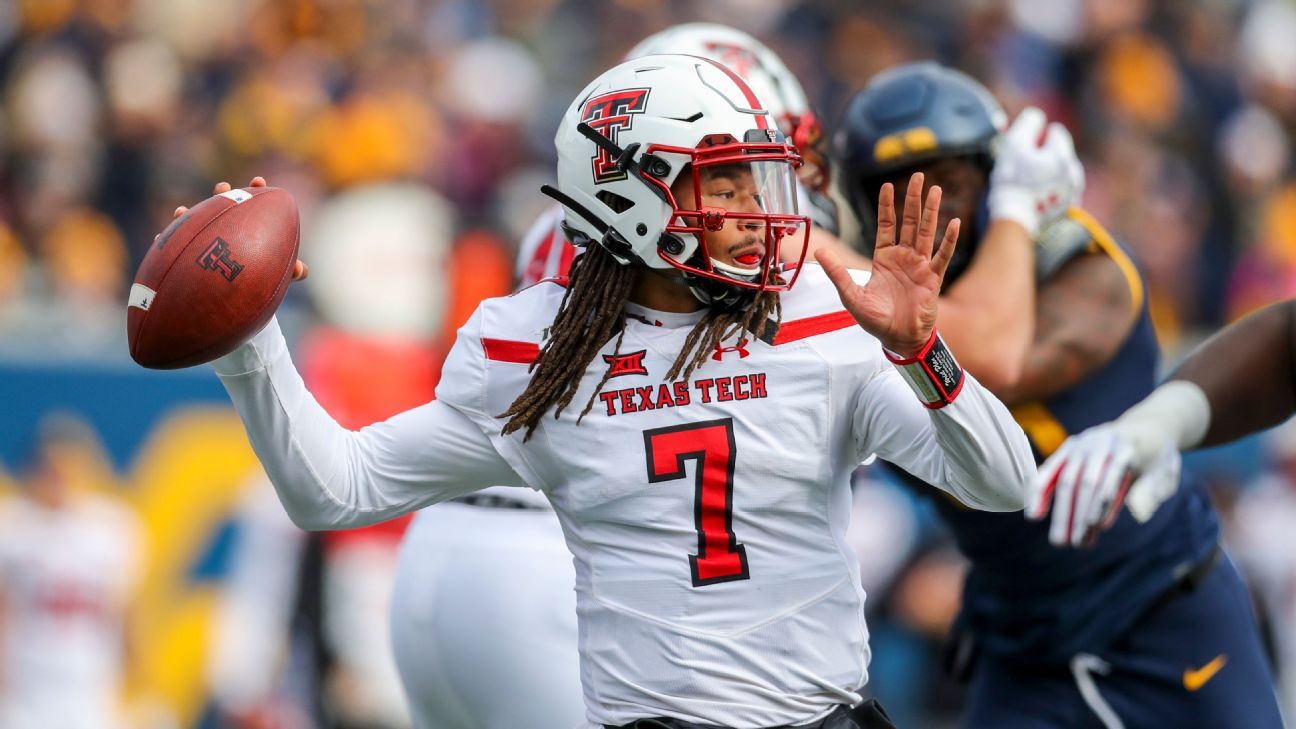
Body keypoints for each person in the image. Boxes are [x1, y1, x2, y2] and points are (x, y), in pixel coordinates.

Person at [189, 54, 1033, 728]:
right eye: (726, 181)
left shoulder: (820, 313)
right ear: (633, 196)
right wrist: (250, 339)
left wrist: (923, 350)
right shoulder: (533, 350)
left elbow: (1004, 481)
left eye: (755, 178)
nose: (758, 207)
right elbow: (333, 489)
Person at [394, 25, 860, 729]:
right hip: (556, 570)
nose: (766, 185)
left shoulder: (579, 221)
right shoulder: (680, 248)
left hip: (443, 548)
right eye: (737, 159)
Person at [836, 62, 1284, 729]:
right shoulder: (859, 307)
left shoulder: (1077, 263)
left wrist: (1017, 215)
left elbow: (995, 360)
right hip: (1024, 645)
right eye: (900, 192)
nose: (933, 212)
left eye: (952, 184)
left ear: (1000, 179)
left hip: (1163, 613)